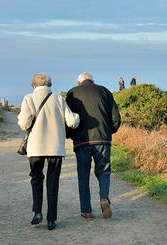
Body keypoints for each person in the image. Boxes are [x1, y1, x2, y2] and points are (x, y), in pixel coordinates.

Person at [17, 73, 80, 230]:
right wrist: (78, 116)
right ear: (49, 84)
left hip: (35, 147)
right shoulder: (58, 99)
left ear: (33, 85)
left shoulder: (28, 99)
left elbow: (24, 124)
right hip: (55, 148)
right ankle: (51, 219)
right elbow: (72, 121)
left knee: (36, 178)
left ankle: (37, 212)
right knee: (53, 182)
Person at [66, 73, 121, 221]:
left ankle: (87, 211)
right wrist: (109, 132)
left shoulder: (72, 93)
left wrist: (71, 135)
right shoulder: (104, 91)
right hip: (103, 139)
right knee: (104, 171)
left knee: (83, 175)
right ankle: (104, 199)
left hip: (81, 141)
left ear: (79, 82)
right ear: (93, 81)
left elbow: (68, 119)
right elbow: (115, 118)